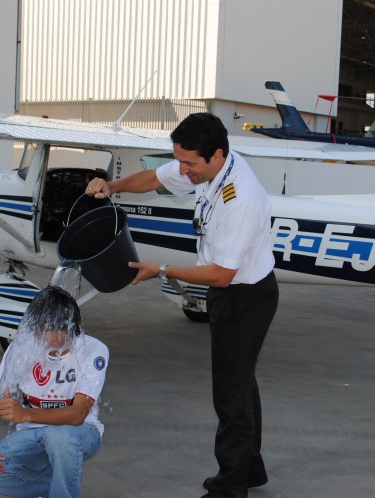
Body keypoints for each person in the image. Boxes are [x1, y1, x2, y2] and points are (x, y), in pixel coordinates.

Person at [86, 112, 279, 498]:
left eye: (189, 164)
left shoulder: (239, 200)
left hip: (244, 297)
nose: (183, 170)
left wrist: (162, 269)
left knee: (230, 393)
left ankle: (230, 487)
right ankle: (249, 469)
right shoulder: (206, 168)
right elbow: (155, 178)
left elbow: (222, 274)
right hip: (238, 292)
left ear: (217, 155)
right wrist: (112, 185)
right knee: (241, 385)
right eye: (181, 160)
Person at [0, 285, 109, 498]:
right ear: (35, 328)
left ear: (75, 326)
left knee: (60, 436)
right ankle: (57, 488)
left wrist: (25, 414)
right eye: (46, 330)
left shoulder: (94, 350)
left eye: (61, 331)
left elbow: (78, 413)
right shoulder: (22, 348)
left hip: (82, 432)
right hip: (32, 433)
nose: (53, 338)